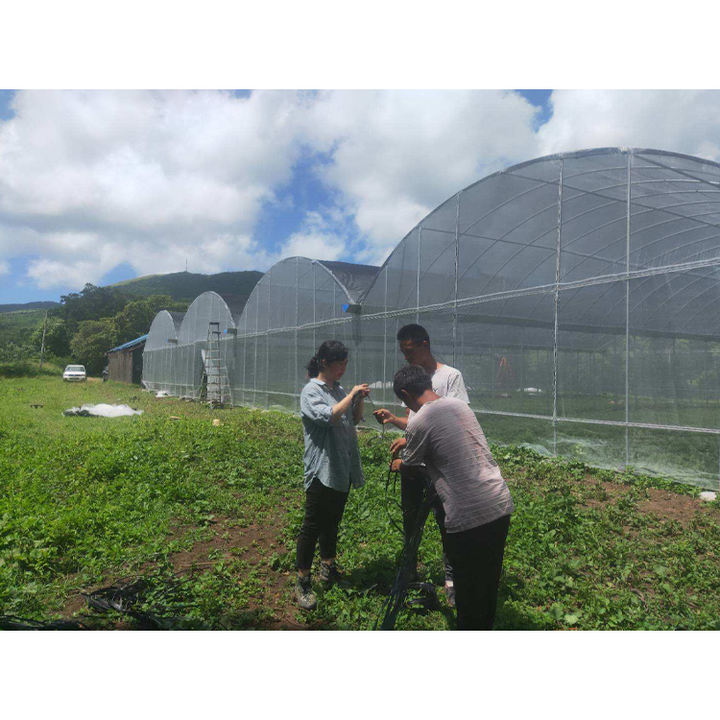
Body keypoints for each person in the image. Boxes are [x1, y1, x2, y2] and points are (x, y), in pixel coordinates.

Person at [389, 364, 513, 630]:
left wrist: (399, 465)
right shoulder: (460, 407)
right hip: (499, 503)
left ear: (405, 394)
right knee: (488, 582)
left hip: (468, 516)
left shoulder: (418, 420)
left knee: (467, 592)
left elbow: (412, 466)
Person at [373, 323, 469, 606]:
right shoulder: (413, 378)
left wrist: (415, 440)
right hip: (414, 466)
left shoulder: (450, 377)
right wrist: (396, 423)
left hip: (439, 468)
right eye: (402, 352)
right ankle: (408, 571)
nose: (406, 357)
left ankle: (452, 580)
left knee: (446, 522)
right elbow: (416, 422)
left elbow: (455, 420)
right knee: (411, 519)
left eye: (409, 350)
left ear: (424, 345)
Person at [294, 340, 370, 611]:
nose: (343, 368)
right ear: (324, 363)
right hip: (320, 467)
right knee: (312, 524)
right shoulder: (311, 391)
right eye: (340, 363)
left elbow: (354, 418)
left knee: (333, 521)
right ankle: (302, 580)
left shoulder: (338, 389)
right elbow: (328, 416)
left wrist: (356, 400)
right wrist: (351, 395)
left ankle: (328, 566)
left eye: (346, 364)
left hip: (341, 464)